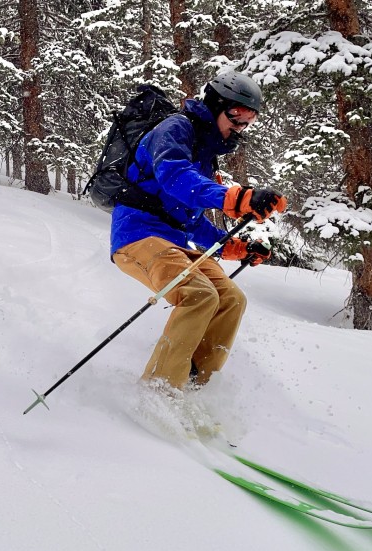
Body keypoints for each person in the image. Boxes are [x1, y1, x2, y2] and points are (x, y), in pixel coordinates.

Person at [110, 71, 287, 390]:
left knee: (232, 299)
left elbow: (190, 221)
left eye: (250, 118)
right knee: (199, 295)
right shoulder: (175, 129)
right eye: (237, 113)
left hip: (178, 242)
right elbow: (175, 177)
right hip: (138, 235)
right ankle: (160, 389)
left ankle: (195, 386)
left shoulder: (206, 156)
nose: (242, 124)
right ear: (217, 104)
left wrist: (234, 248)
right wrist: (234, 198)